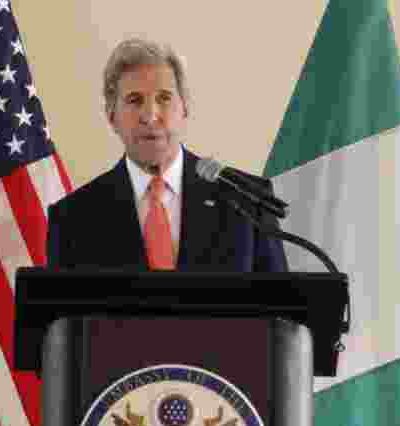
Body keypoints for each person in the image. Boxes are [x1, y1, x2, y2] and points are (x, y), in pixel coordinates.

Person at [46, 37, 287, 272]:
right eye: (134, 100)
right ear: (112, 117)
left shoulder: (247, 202)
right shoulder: (72, 219)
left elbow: (281, 310)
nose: (150, 116)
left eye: (164, 98)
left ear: (185, 108)